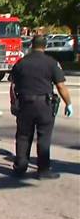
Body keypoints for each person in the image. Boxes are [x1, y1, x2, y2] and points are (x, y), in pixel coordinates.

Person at [10, 35, 73, 180]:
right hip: (44, 104)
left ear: (31, 45)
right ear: (45, 46)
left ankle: (20, 167)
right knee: (44, 137)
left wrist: (13, 103)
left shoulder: (21, 63)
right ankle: (43, 170)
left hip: (24, 104)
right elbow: (61, 86)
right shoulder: (51, 63)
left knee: (23, 136)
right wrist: (68, 103)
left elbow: (13, 85)